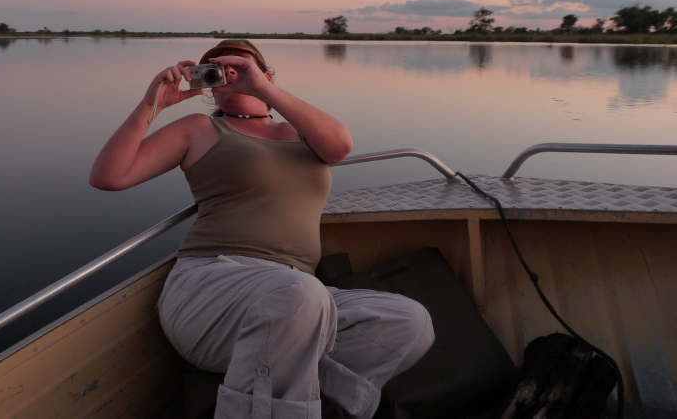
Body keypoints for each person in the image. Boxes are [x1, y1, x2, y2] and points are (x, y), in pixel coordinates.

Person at [90, 40, 434, 419]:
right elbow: (109, 176)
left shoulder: (299, 132)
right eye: (215, 69)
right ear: (207, 84)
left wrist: (263, 91)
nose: (228, 72)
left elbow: (340, 147)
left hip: (294, 296)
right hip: (214, 283)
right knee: (301, 294)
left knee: (410, 323)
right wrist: (151, 105)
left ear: (266, 75)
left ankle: (283, 397)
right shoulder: (200, 129)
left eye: (239, 65)